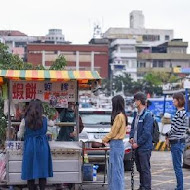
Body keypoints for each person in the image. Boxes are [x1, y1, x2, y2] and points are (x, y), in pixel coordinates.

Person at [17, 99, 53, 190]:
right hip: (42, 146)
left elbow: (19, 135)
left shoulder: (24, 120)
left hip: (30, 146)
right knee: (42, 171)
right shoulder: (44, 119)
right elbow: (52, 124)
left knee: (30, 171)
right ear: (40, 108)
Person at [102, 95, 127, 190]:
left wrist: (104, 139)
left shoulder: (119, 116)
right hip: (118, 144)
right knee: (116, 169)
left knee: (115, 170)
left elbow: (113, 131)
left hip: (116, 144)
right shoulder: (122, 115)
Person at [129, 92, 154, 190]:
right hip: (136, 146)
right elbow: (132, 128)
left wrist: (138, 143)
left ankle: (146, 187)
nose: (134, 102)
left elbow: (147, 132)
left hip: (144, 147)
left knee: (145, 169)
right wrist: (131, 137)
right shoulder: (136, 114)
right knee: (139, 168)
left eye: (135, 100)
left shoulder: (147, 115)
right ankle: (142, 186)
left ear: (139, 101)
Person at [165, 92, 187, 190]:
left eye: (174, 99)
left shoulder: (181, 113)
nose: (173, 101)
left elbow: (175, 128)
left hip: (177, 143)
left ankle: (179, 188)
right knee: (177, 167)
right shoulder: (180, 112)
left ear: (179, 100)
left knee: (177, 167)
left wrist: (166, 134)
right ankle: (179, 187)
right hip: (177, 142)